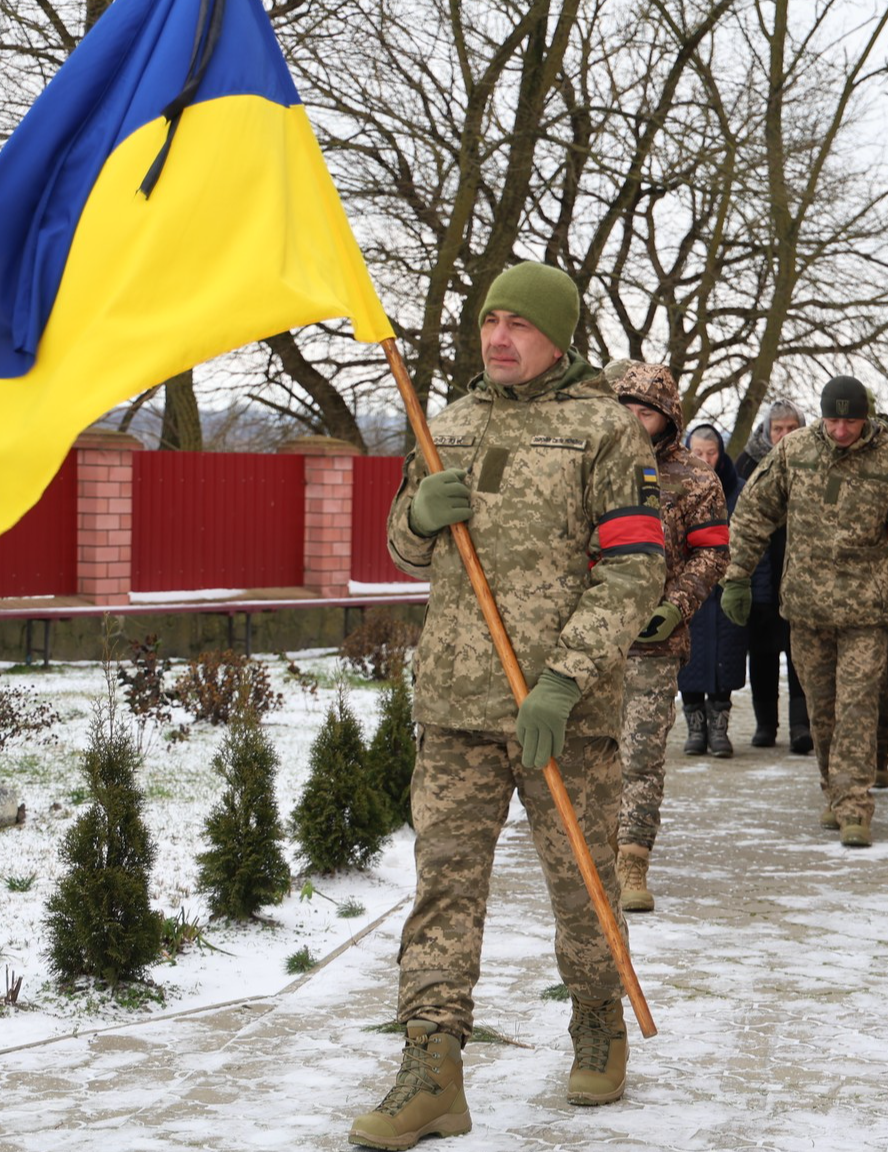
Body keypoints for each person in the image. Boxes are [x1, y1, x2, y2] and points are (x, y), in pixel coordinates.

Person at [353, 262, 665, 1146]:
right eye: (490, 320)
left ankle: (597, 1020)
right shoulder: (443, 423)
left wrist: (564, 679)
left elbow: (634, 570)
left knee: (583, 888)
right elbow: (404, 551)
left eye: (518, 324)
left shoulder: (606, 433)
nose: (498, 337)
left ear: (557, 337)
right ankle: (431, 1065)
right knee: (443, 891)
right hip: (456, 704)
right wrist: (418, 513)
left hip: (562, 713)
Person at [720, 376, 888, 848]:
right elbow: (754, 511)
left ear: (866, 417)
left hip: (868, 609)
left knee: (858, 704)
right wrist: (737, 574)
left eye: (851, 421)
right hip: (807, 607)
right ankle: (832, 791)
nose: (841, 431)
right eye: (833, 420)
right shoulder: (794, 451)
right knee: (822, 709)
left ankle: (855, 803)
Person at [609, 362, 729, 916]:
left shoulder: (695, 478)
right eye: (626, 408)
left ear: (668, 417)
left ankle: (632, 857)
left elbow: (712, 551)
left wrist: (676, 605)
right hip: (584, 638)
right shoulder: (587, 464)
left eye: (647, 411)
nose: (636, 421)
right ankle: (587, 852)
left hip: (654, 641)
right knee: (584, 751)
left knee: (640, 752)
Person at [733, 400, 812, 753]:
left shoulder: (812, 457)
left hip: (801, 570)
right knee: (762, 653)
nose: (784, 435)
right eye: (778, 428)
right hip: (762, 572)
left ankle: (801, 725)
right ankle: (766, 724)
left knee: (801, 654)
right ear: (766, 431)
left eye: (791, 427)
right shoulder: (748, 462)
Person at [675, 423, 745, 759]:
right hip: (687, 589)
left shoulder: (737, 489)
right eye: (697, 452)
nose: (704, 459)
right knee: (690, 660)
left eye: (711, 452)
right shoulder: (674, 484)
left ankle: (719, 730)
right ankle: (695, 728)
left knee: (725, 661)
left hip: (725, 587)